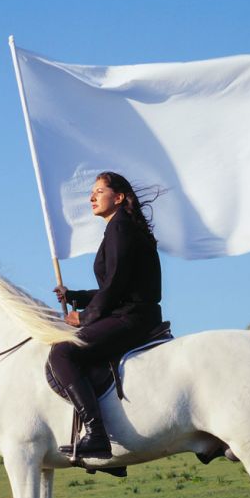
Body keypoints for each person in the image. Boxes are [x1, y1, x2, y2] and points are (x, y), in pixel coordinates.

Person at [50, 171, 163, 459]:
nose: (91, 197)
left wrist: (85, 317)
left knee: (62, 353)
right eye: (93, 192)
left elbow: (114, 287)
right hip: (131, 311)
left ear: (119, 197)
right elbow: (115, 285)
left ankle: (97, 434)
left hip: (131, 317)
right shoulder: (119, 228)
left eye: (99, 191)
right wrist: (75, 296)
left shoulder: (120, 228)